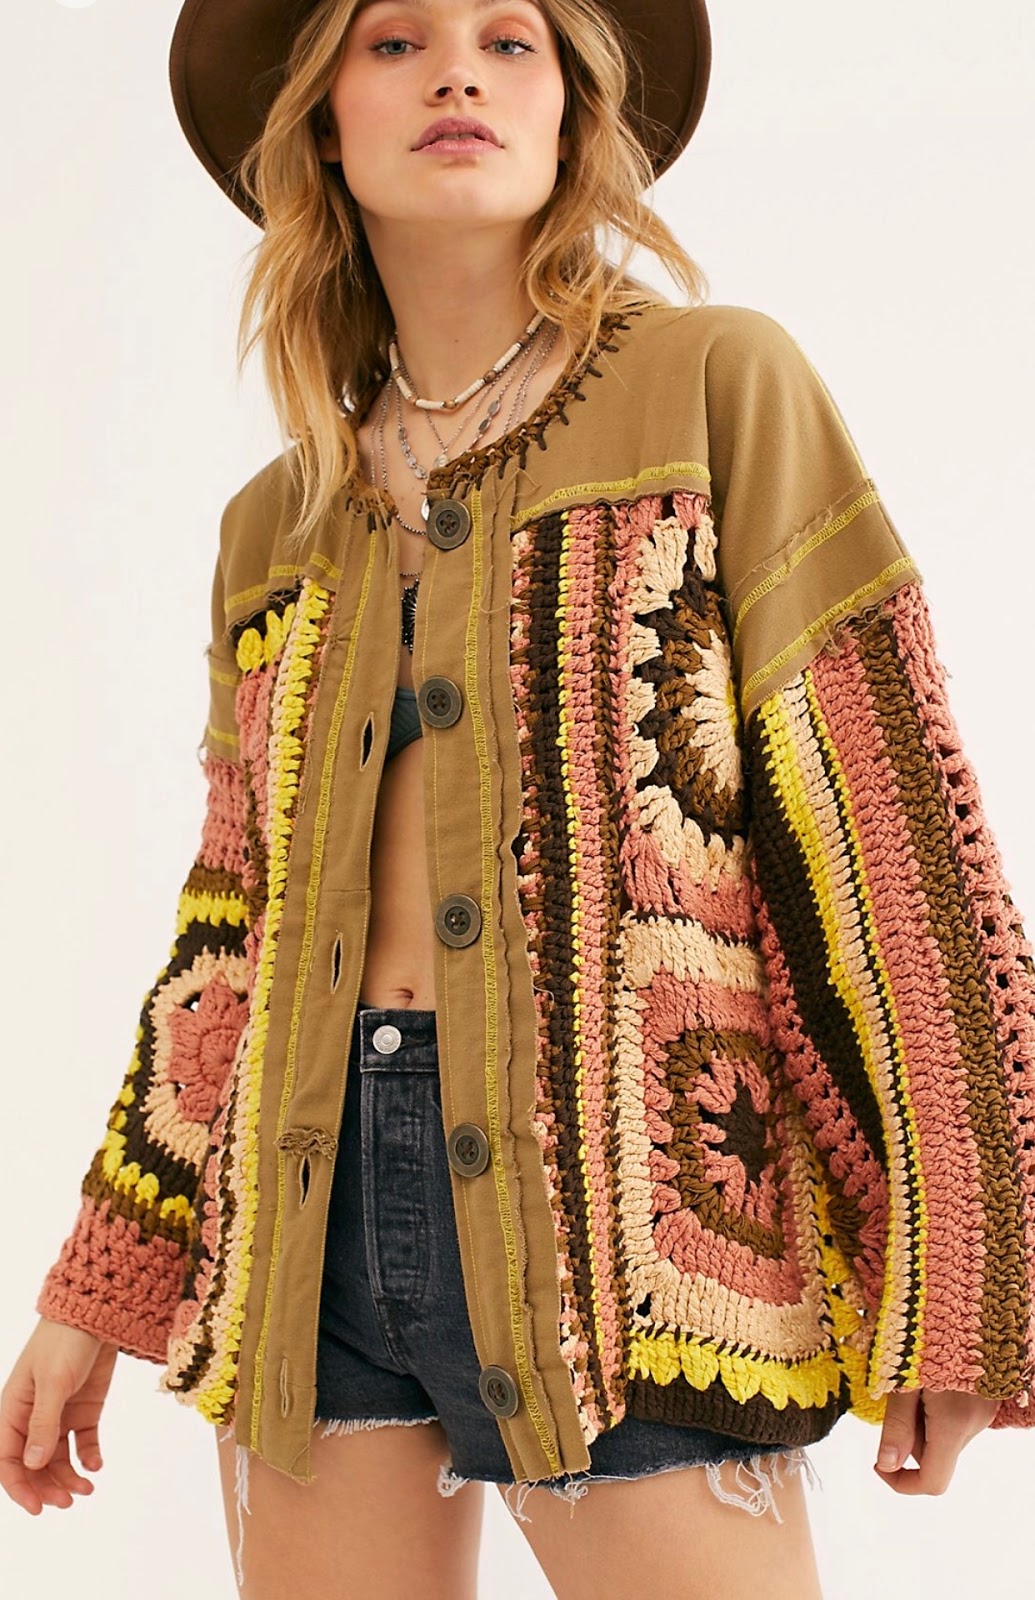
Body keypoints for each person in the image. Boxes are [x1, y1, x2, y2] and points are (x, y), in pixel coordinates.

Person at [3, 1, 1033, 1596]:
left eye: (510, 40)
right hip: (304, 1235)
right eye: (396, 42)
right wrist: (97, 1282)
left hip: (639, 1235)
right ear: (321, 120)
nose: (458, 73)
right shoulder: (277, 519)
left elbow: (891, 838)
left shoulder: (716, 383)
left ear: (573, 111)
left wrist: (965, 1275)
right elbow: (230, 927)